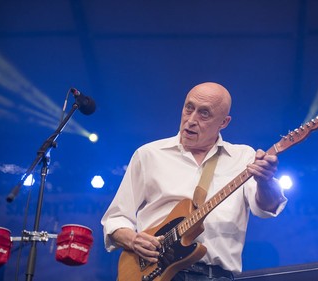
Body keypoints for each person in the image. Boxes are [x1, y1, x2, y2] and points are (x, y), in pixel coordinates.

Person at [101, 82, 287, 281]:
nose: (191, 120)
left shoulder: (243, 157)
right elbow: (115, 218)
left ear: (224, 122)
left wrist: (265, 182)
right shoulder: (148, 155)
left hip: (217, 276)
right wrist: (134, 240)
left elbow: (267, 208)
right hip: (156, 274)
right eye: (189, 108)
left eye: (204, 113)